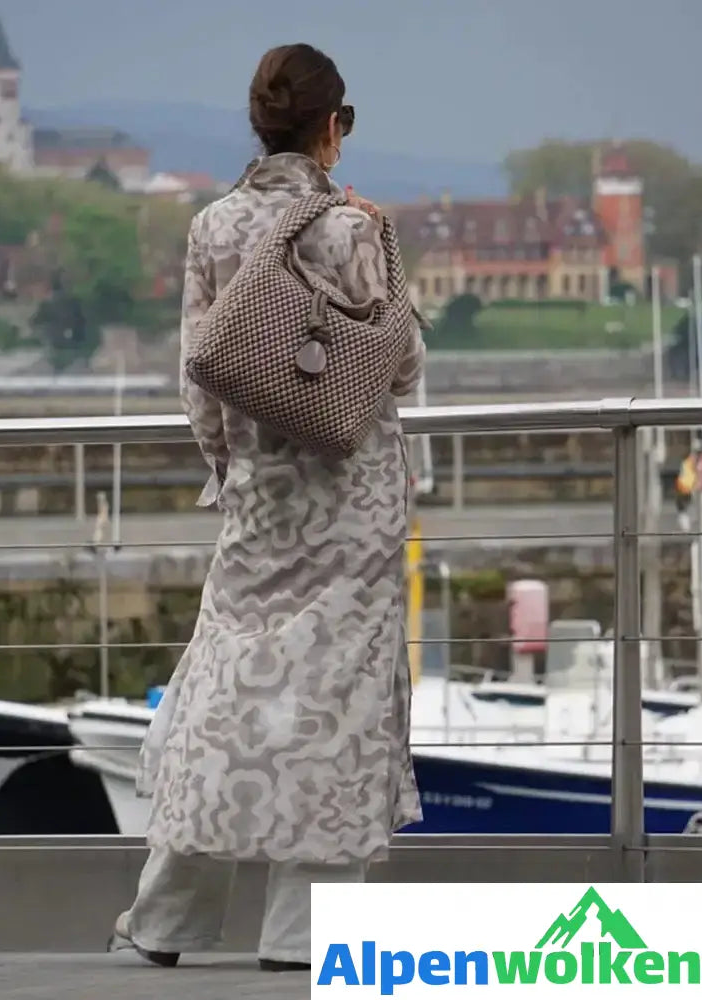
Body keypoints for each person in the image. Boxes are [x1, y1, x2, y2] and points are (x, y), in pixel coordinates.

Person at [108, 42, 425, 973]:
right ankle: (301, 937)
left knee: (223, 700)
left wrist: (235, 472)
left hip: (259, 503)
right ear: (334, 128)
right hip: (352, 503)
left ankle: (163, 922)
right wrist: (383, 245)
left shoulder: (211, 227)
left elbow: (198, 382)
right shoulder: (350, 228)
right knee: (338, 706)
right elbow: (398, 366)